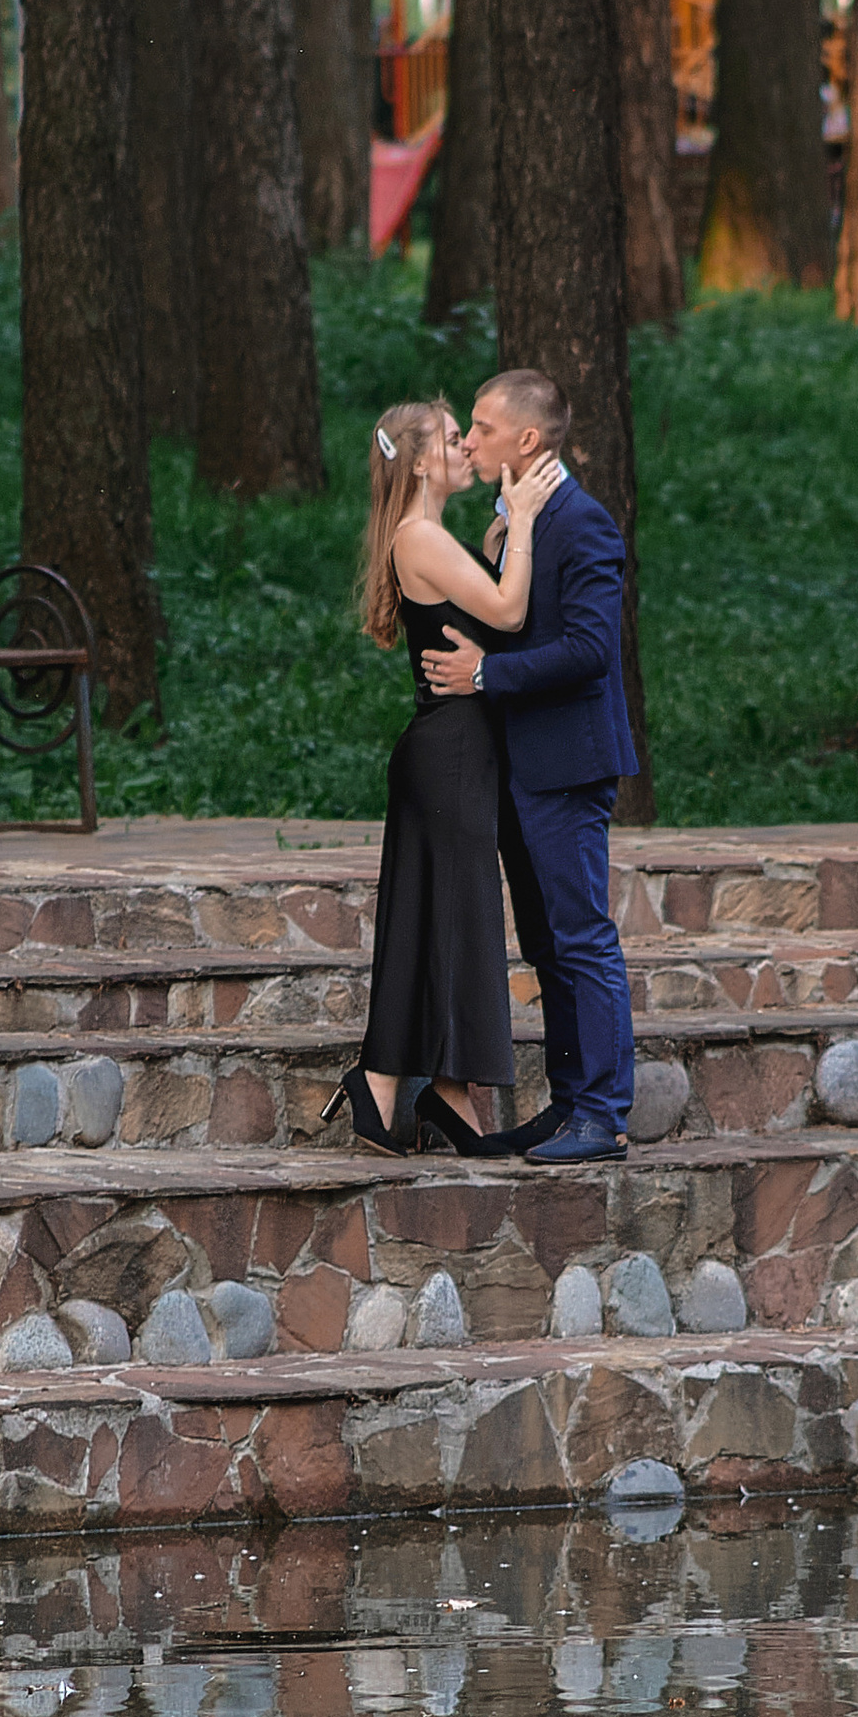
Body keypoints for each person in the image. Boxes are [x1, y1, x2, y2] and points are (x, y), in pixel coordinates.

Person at [328, 399, 561, 1155]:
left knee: (433, 920)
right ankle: (429, 1091)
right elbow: (510, 606)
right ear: (422, 462)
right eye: (454, 439)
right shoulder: (420, 536)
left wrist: (499, 533)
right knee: (458, 919)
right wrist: (522, 518)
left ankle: (400, 1088)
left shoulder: (427, 535)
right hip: (451, 751)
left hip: (452, 749)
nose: (466, 448)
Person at [421, 372, 638, 1165]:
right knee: (547, 948)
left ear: (528, 441)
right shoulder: (516, 518)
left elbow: (589, 652)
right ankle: (570, 1102)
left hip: (567, 767)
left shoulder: (583, 526)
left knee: (581, 939)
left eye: (481, 428)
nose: (468, 441)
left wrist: (486, 675)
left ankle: (605, 1115)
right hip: (515, 767)